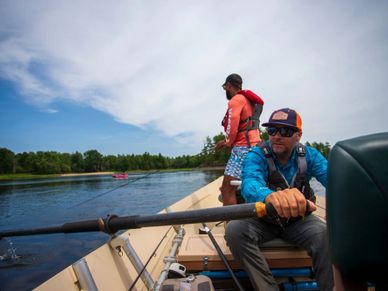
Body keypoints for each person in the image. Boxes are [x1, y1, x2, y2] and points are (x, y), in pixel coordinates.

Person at [225, 108, 334, 291]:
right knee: (234, 230)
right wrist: (269, 196)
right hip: (263, 220)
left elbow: (335, 182)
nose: (276, 136)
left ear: (298, 135)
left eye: (285, 131)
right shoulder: (257, 154)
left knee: (325, 235)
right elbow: (250, 181)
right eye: (272, 130)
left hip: (299, 221)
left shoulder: (310, 155)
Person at [215, 73, 264, 205]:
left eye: (225, 87)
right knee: (248, 184)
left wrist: (226, 143)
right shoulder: (249, 101)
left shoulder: (235, 100)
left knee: (226, 189)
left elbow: (232, 129)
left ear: (229, 85)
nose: (225, 90)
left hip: (243, 148)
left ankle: (232, 224)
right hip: (257, 146)